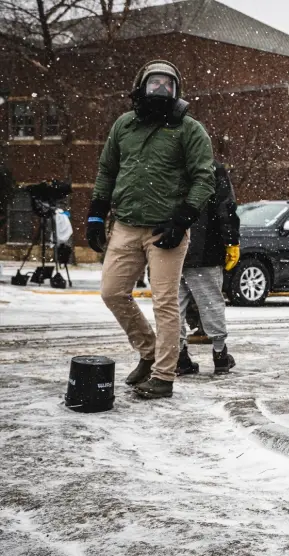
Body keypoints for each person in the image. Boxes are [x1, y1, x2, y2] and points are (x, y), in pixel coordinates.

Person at [86, 60, 216, 400]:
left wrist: (182, 220)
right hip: (126, 225)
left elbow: (205, 178)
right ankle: (148, 351)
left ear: (176, 89)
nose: (160, 90)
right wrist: (96, 215)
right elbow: (107, 170)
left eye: (166, 85)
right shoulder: (124, 125)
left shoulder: (189, 129)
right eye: (154, 84)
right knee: (112, 292)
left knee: (165, 302)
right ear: (140, 87)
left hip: (166, 229)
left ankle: (163, 375)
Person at [175, 161, 240, 376]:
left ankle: (179, 356)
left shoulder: (165, 163)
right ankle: (220, 355)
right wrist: (231, 240)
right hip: (205, 248)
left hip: (170, 246)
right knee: (211, 302)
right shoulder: (210, 168)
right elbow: (226, 207)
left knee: (172, 307)